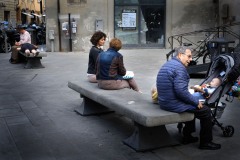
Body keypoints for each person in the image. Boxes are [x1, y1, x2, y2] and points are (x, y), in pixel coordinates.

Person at [156, 46, 221, 150]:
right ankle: (206, 142)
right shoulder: (180, 68)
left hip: (164, 101)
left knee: (190, 104)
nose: (191, 59)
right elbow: (181, 92)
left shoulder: (168, 64)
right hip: (172, 104)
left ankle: (188, 136)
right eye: (189, 56)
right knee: (205, 111)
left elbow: (179, 91)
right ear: (180, 55)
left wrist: (192, 100)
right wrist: (195, 102)